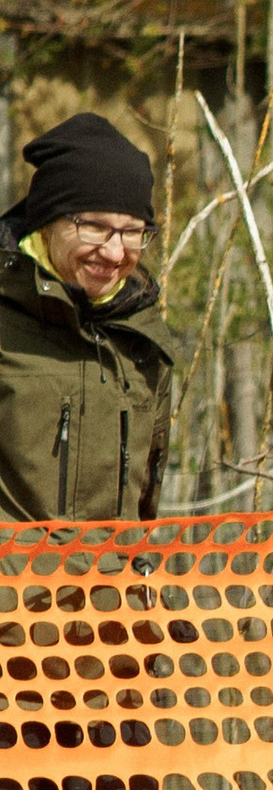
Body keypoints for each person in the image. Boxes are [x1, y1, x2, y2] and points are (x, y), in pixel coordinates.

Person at [0, 116, 174, 526]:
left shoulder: (144, 337)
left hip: (115, 588)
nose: (115, 253)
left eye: (133, 232)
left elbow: (145, 505)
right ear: (48, 222)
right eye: (95, 227)